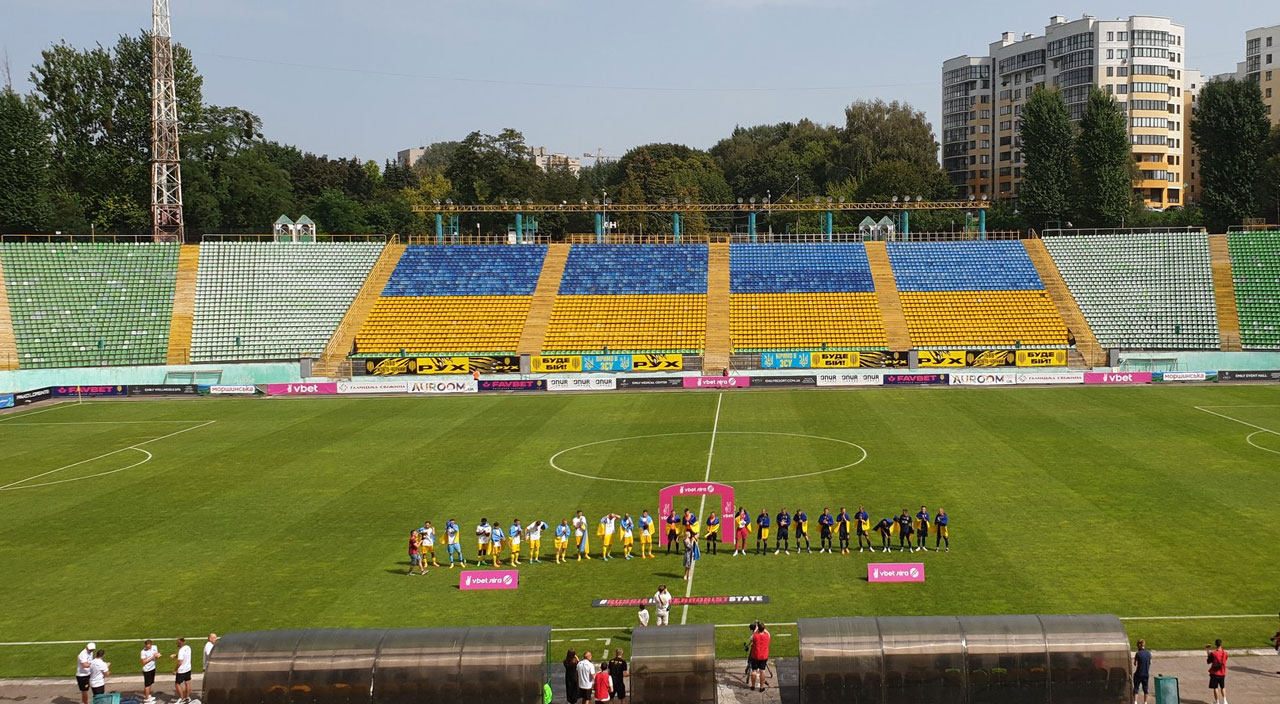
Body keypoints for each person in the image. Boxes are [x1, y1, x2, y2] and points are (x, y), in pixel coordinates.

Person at [748, 622, 771, 693]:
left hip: (755, 655)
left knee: (754, 671)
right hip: (763, 656)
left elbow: (751, 637)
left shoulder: (754, 636)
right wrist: (761, 628)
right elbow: (767, 632)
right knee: (762, 671)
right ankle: (762, 687)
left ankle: (753, 686)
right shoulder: (767, 635)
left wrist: (756, 628)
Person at [171, 637, 193, 704]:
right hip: (188, 669)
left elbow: (180, 662)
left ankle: (181, 699)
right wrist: (175, 655)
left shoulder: (181, 651)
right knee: (187, 683)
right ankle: (187, 697)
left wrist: (175, 670)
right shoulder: (188, 647)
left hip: (181, 670)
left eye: (177, 642)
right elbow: (183, 654)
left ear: (179, 643)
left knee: (177, 684)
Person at [1207, 638, 1228, 704]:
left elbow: (1208, 661)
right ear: (1221, 644)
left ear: (1215, 645)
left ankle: (1217, 702)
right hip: (1222, 673)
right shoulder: (1225, 653)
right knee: (1223, 687)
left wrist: (1208, 651)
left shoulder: (1213, 653)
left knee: (1215, 688)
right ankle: (1225, 701)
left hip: (1215, 673)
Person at [1133, 638, 1152, 704]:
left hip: (1139, 673)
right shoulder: (1149, 653)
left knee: (1136, 688)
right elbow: (1150, 662)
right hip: (1146, 673)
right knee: (1145, 688)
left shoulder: (1138, 654)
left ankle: (1135, 702)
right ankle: (1145, 702)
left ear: (1139, 645)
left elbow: (1135, 664)